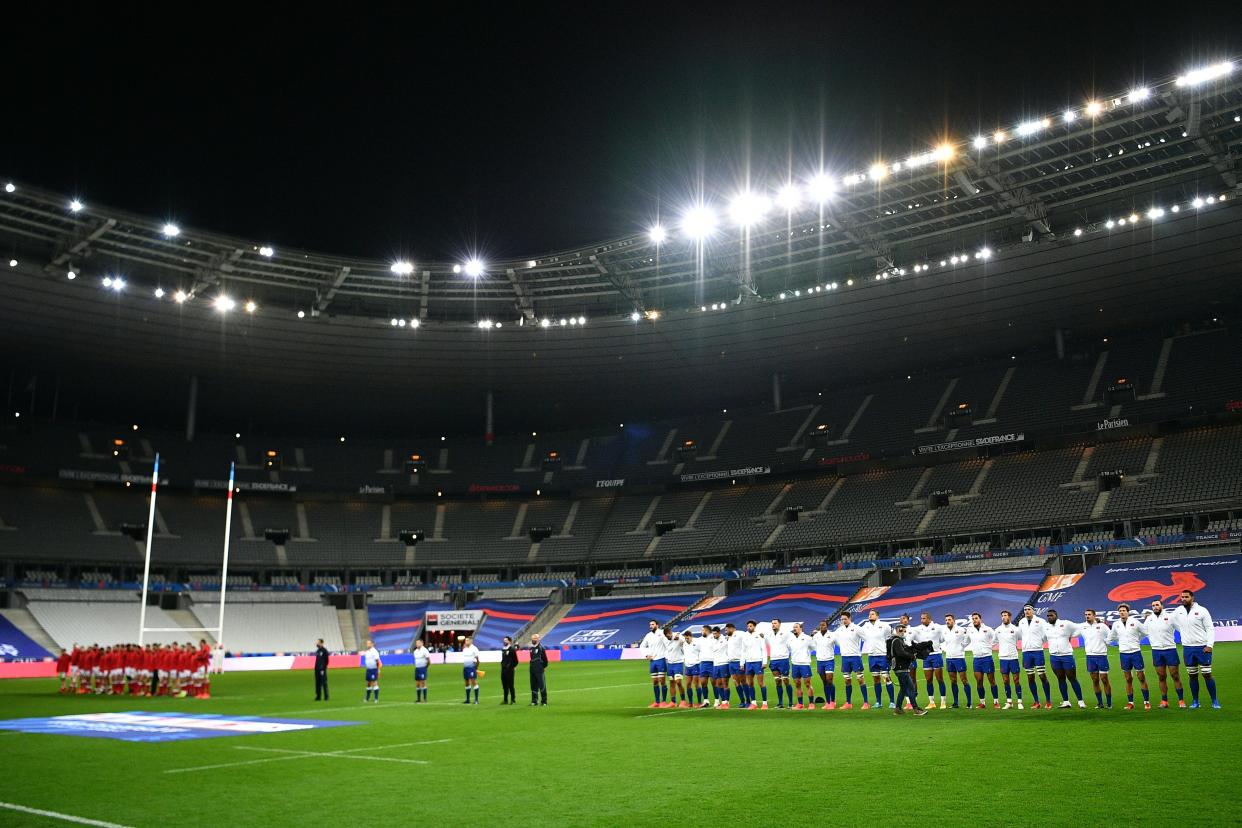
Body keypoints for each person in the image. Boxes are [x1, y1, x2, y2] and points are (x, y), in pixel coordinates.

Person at [1172, 589, 1220, 709]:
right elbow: (1171, 621)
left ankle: (1214, 700)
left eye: (1186, 597)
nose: (1183, 599)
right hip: (1188, 648)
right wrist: (1182, 631)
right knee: (1192, 675)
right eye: (1182, 597)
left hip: (1202, 647)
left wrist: (1209, 645)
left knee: (1207, 674)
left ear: (1192, 598)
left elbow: (1210, 628)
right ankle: (1195, 701)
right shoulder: (1178, 611)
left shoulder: (1202, 610)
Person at [1144, 599, 1185, 708]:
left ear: (1162, 605)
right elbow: (1142, 632)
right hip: (1156, 651)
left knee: (1175, 675)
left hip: (1170, 649)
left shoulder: (1170, 617)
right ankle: (1164, 701)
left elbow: (1182, 629)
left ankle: (1181, 700)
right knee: (1161, 676)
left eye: (1157, 605)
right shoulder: (1149, 619)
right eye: (1153, 605)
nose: (1155, 607)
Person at [1111, 604, 1150, 710]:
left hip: (1135, 652)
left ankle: (1146, 701)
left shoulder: (1135, 622)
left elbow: (1145, 632)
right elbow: (1112, 636)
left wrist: (1137, 639)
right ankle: (1130, 702)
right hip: (1123, 654)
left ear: (1128, 612)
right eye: (1120, 611)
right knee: (1128, 678)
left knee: (1141, 677)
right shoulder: (1116, 624)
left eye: (1124, 610)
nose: (1122, 612)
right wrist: (1116, 642)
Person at [1044, 610, 1086, 708]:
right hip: (1054, 656)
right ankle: (1066, 701)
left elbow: (1079, 627)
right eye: (1048, 616)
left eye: (1051, 615)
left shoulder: (1065, 623)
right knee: (1060, 678)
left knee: (1072, 678)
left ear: (1056, 616)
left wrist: (1072, 635)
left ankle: (1080, 701)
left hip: (1066, 655)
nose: (1049, 617)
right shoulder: (1046, 627)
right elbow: (1044, 638)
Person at [887, 624, 927, 716]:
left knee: (904, 689)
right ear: (898, 630)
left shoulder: (897, 640)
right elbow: (900, 653)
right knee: (911, 688)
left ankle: (898, 708)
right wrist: (912, 656)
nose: (904, 632)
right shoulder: (897, 640)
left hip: (900, 667)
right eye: (902, 630)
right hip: (901, 668)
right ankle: (916, 709)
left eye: (905, 631)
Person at [1018, 604, 1053, 709]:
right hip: (1026, 652)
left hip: (1038, 651)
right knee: (1030, 677)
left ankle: (1048, 701)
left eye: (1029, 609)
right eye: (1025, 610)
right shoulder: (1021, 622)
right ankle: (1036, 701)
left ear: (1033, 611)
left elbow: (1047, 634)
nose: (1027, 611)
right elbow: (1021, 635)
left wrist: (1040, 642)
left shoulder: (1041, 621)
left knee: (1042, 676)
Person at [860, 610, 895, 709]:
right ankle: (878, 702)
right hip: (871, 656)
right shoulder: (865, 626)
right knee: (876, 679)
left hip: (883, 655)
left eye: (872, 614)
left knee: (886, 678)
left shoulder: (885, 625)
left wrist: (890, 653)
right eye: (869, 614)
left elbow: (890, 638)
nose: (870, 615)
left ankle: (892, 701)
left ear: (877, 616)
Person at [911, 612, 947, 709]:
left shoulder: (938, 627)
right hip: (926, 657)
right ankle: (932, 702)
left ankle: (943, 701)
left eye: (924, 618)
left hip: (936, 655)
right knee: (928, 680)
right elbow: (912, 638)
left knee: (940, 679)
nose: (922, 620)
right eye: (921, 618)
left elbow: (942, 639)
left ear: (929, 619)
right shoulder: (918, 629)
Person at [1081, 609, 1113, 709]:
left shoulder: (1102, 626)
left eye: (1089, 614)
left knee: (1104, 679)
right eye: (1086, 614)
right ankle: (1100, 703)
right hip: (1089, 656)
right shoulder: (1082, 627)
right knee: (1095, 680)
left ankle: (1109, 703)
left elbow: (1111, 635)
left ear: (1094, 615)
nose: (1087, 616)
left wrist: (1107, 642)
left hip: (1101, 656)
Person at [966, 612, 999, 709]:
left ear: (980, 619)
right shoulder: (970, 631)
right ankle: (982, 702)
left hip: (987, 658)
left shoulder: (987, 629)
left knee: (991, 680)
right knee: (979, 681)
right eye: (973, 618)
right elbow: (966, 641)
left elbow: (995, 639)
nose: (974, 620)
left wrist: (989, 646)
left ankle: (996, 702)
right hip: (976, 658)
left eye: (976, 618)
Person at [835, 612, 866, 709]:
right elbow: (832, 638)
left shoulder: (857, 628)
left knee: (860, 679)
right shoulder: (839, 630)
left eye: (845, 619)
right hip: (845, 657)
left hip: (855, 657)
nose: (843, 621)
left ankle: (866, 702)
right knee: (847, 680)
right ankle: (848, 703)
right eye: (842, 619)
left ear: (849, 618)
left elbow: (866, 638)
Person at [941, 614, 972, 708]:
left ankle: (969, 703)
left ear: (954, 620)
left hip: (959, 657)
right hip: (949, 658)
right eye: (946, 620)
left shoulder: (961, 630)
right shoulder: (945, 631)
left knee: (964, 680)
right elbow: (941, 640)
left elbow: (968, 638)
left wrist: (962, 646)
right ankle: (955, 703)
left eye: (949, 619)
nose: (947, 621)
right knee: (953, 681)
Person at [995, 611, 1024, 710]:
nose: (1003, 617)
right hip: (1003, 658)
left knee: (1016, 680)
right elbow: (993, 641)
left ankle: (1019, 701)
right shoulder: (998, 630)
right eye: (1002, 615)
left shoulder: (1015, 629)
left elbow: (1022, 638)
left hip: (1013, 658)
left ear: (1010, 617)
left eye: (1005, 615)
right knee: (1005, 681)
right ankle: (1009, 702)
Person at [640, 619, 669, 708]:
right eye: (650, 625)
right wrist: (646, 655)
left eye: (652, 624)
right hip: (652, 661)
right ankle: (657, 702)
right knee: (655, 682)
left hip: (661, 659)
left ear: (657, 625)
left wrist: (667, 656)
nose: (651, 626)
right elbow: (642, 646)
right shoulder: (648, 635)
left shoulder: (662, 633)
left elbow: (668, 644)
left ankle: (663, 701)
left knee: (662, 681)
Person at [764, 619, 793, 709]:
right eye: (772, 623)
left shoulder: (786, 633)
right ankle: (780, 703)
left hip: (783, 659)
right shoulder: (768, 635)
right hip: (773, 660)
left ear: (779, 624)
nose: (773, 625)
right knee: (777, 681)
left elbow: (793, 641)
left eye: (775, 623)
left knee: (786, 681)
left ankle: (790, 703)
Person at [787, 623, 815, 710]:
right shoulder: (790, 639)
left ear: (801, 628)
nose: (794, 629)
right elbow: (789, 649)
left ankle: (811, 703)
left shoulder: (807, 638)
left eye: (796, 627)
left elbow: (813, 647)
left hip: (805, 664)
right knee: (797, 684)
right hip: (795, 664)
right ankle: (800, 704)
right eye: (793, 627)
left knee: (807, 684)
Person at [812, 620, 837, 710]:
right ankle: (828, 702)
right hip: (820, 661)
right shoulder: (816, 636)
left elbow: (838, 643)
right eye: (821, 625)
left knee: (829, 680)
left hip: (829, 660)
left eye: (824, 625)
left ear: (827, 626)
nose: (822, 626)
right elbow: (813, 646)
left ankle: (833, 701)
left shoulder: (832, 635)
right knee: (825, 682)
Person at [743, 620, 768, 709]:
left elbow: (764, 649)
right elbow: (743, 650)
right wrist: (742, 663)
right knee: (750, 683)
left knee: (761, 683)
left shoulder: (759, 635)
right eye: (748, 626)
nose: (749, 627)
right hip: (748, 662)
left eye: (750, 626)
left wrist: (764, 662)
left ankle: (765, 703)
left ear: (754, 626)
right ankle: (753, 703)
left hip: (758, 662)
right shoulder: (745, 636)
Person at [724, 623, 748, 708]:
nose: (725, 632)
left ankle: (748, 701)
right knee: (735, 682)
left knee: (743, 681)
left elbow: (748, 636)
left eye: (726, 630)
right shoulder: (728, 638)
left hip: (739, 662)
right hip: (731, 662)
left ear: (732, 628)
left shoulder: (740, 634)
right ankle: (742, 701)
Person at [664, 627, 688, 708]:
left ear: (671, 633)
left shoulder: (678, 636)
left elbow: (684, 640)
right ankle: (673, 702)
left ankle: (683, 701)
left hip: (678, 662)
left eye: (669, 635)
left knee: (678, 682)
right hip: (670, 664)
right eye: (667, 636)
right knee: (672, 683)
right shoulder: (665, 640)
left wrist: (679, 637)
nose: (669, 637)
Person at [710, 627, 732, 708]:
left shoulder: (725, 639)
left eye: (715, 633)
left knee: (725, 683)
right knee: (718, 683)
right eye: (713, 633)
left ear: (719, 633)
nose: (714, 635)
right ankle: (723, 702)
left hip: (724, 663)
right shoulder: (712, 640)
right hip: (716, 664)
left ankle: (727, 702)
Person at [682, 629, 703, 707]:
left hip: (696, 665)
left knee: (696, 684)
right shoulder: (684, 644)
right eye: (685, 638)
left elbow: (702, 651)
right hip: (687, 666)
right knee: (688, 684)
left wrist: (699, 660)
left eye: (688, 638)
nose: (686, 639)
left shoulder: (697, 643)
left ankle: (699, 702)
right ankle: (690, 702)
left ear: (691, 637)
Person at [528, 633, 549, 705]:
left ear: (538, 639)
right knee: (533, 685)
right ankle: (534, 701)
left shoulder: (541, 648)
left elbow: (545, 660)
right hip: (532, 669)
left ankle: (544, 701)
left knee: (542, 685)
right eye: (533, 638)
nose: (533, 640)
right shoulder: (531, 648)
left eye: (535, 638)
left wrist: (543, 667)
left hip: (539, 669)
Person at [460, 636, 481, 704]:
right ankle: (468, 699)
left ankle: (476, 700)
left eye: (467, 640)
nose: (466, 642)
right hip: (465, 667)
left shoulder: (474, 649)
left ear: (471, 641)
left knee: (473, 681)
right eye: (465, 640)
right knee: (466, 682)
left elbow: (478, 660)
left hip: (472, 667)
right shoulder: (465, 649)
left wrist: (476, 667)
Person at [361, 639, 382, 703]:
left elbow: (377, 661)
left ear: (372, 644)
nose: (367, 644)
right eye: (367, 643)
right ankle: (367, 698)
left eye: (369, 643)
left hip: (373, 669)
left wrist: (378, 670)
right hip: (368, 669)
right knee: (368, 683)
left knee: (374, 682)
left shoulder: (374, 651)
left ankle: (376, 699)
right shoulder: (367, 652)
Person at [412, 638, 432, 703]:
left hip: (423, 668)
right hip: (417, 668)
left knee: (423, 682)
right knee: (417, 683)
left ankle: (425, 699)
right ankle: (418, 699)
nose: (417, 644)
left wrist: (426, 667)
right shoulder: (415, 651)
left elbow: (429, 660)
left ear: (422, 643)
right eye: (416, 643)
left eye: (418, 643)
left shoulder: (425, 650)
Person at [499, 636, 518, 704]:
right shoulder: (503, 649)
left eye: (506, 640)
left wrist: (511, 667)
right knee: (504, 686)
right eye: (504, 640)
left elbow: (516, 661)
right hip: (503, 670)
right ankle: (505, 700)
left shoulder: (512, 649)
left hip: (509, 670)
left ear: (509, 641)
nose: (504, 641)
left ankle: (513, 700)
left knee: (511, 685)